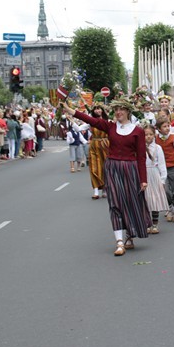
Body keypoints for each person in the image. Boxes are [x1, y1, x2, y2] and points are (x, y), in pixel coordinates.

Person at [62, 99, 150, 256]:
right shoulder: (110, 127)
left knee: (130, 203)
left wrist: (143, 179)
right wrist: (70, 111)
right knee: (115, 203)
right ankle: (119, 242)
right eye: (116, 109)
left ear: (128, 111)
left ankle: (130, 235)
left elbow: (141, 157)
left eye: (121, 109)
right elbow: (91, 120)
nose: (118, 112)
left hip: (130, 169)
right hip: (113, 168)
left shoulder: (138, 131)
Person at [141, 124, 169, 234]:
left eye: (150, 134)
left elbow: (162, 164)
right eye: (145, 134)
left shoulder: (158, 148)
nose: (148, 136)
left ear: (154, 135)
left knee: (155, 199)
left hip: (154, 174)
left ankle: (155, 224)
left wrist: (163, 179)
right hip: (144, 175)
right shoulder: (139, 148)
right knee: (146, 199)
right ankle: (147, 223)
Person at [88, 105, 110, 199]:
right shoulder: (91, 121)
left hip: (105, 145)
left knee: (105, 167)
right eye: (96, 109)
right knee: (93, 167)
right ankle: (96, 191)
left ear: (102, 110)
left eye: (99, 108)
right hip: (94, 145)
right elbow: (79, 128)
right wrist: (72, 121)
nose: (97, 110)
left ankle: (105, 188)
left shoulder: (108, 121)